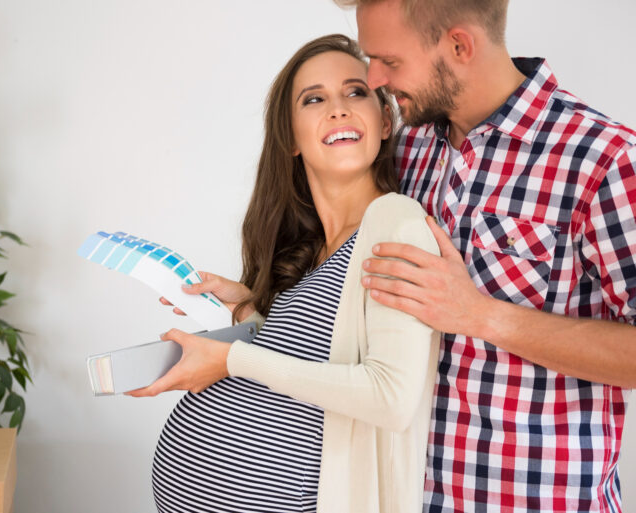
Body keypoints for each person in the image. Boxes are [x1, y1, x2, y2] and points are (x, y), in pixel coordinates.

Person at [332, 0, 635, 511]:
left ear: (459, 46)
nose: (374, 76)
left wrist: (482, 316)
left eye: (389, 60)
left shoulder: (604, 160)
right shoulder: (411, 149)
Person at [129, 34, 441, 513]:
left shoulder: (396, 222)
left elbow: (391, 396)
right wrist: (245, 310)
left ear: (383, 120)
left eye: (355, 92)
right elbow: (308, 362)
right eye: (314, 99)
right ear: (291, 139)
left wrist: (229, 360)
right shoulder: (311, 248)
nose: (338, 109)